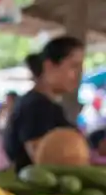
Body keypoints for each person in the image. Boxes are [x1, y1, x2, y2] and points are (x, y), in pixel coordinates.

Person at [5, 36, 85, 170]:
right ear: (49, 66)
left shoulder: (45, 104)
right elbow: (41, 158)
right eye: (74, 66)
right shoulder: (36, 106)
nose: (78, 74)